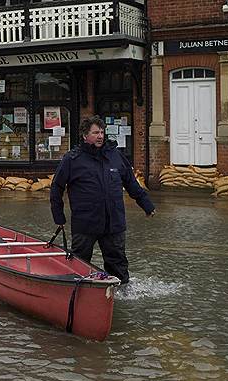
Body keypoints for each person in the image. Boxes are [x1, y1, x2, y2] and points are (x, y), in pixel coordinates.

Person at [50, 115, 155, 284]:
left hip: (113, 223)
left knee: (118, 264)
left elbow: (131, 182)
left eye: (102, 132)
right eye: (96, 132)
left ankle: (120, 294)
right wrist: (59, 217)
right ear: (85, 135)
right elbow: (57, 188)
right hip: (85, 223)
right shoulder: (72, 159)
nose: (100, 136)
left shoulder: (115, 156)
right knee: (80, 264)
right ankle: (78, 294)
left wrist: (147, 205)